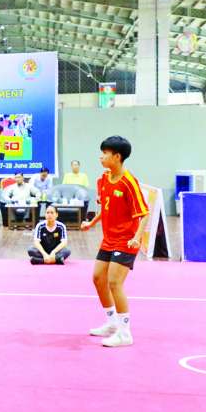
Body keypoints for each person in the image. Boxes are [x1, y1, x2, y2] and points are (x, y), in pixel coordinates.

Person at [81, 136, 149, 348]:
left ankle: (125, 333)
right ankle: (112, 323)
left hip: (126, 240)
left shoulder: (129, 182)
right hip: (109, 239)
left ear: (117, 157)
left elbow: (144, 213)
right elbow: (106, 207)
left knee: (114, 282)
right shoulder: (103, 179)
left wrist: (136, 238)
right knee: (97, 278)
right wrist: (92, 223)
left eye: (105, 154)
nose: (101, 157)